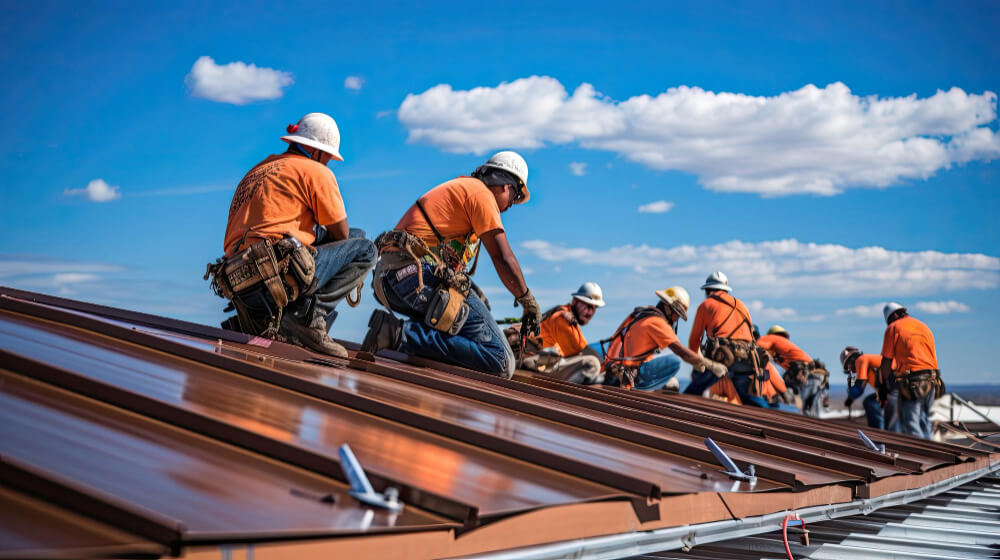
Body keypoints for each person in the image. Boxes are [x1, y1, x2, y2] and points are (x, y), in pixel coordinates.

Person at [209, 113, 376, 358]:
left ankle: (265, 318)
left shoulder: (258, 169)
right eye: (328, 158)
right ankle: (307, 321)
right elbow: (340, 234)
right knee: (364, 248)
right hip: (272, 272)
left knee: (355, 235)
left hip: (238, 277)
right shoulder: (315, 171)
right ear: (318, 151)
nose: (328, 163)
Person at [361, 151, 538, 379]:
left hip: (392, 280)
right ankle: (399, 334)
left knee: (470, 331)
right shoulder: (481, 195)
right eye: (515, 196)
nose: (512, 205)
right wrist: (527, 300)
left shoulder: (464, 190)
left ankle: (400, 337)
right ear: (507, 185)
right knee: (501, 360)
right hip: (414, 278)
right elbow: (503, 258)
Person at [602, 286, 727, 391]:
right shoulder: (658, 322)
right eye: (676, 315)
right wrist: (709, 364)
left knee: (668, 372)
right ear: (668, 307)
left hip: (614, 368)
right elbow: (680, 350)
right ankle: (638, 389)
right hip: (627, 372)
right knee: (674, 362)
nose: (676, 319)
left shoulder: (641, 313)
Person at [685, 272, 768, 407]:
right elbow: (751, 337)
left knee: (694, 391)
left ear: (708, 290)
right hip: (747, 357)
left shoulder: (707, 304)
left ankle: (684, 415)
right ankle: (769, 418)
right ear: (726, 289)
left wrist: (698, 363)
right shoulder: (741, 305)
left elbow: (694, 341)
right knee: (749, 399)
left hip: (722, 356)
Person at [521, 282, 606, 384]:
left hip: (543, 362)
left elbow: (575, 353)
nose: (591, 312)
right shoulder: (564, 318)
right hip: (536, 361)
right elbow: (584, 350)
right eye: (588, 306)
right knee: (592, 363)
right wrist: (607, 366)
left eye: (595, 308)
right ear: (575, 301)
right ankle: (566, 393)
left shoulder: (568, 318)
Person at [880, 302, 942, 439]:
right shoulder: (923, 327)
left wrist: (884, 385)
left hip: (913, 380)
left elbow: (886, 362)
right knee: (925, 422)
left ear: (894, 315)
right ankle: (931, 453)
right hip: (932, 379)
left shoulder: (893, 328)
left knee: (911, 424)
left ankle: (921, 456)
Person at [757, 325, 828, 417]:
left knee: (806, 414)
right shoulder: (786, 346)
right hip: (818, 377)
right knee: (814, 413)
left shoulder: (771, 338)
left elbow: (757, 346)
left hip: (808, 376)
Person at [841, 346, 895, 430]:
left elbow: (857, 391)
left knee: (870, 402)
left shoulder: (861, 361)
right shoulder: (868, 361)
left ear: (851, 360)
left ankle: (878, 436)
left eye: (848, 368)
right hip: (898, 388)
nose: (850, 370)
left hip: (895, 392)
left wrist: (850, 381)